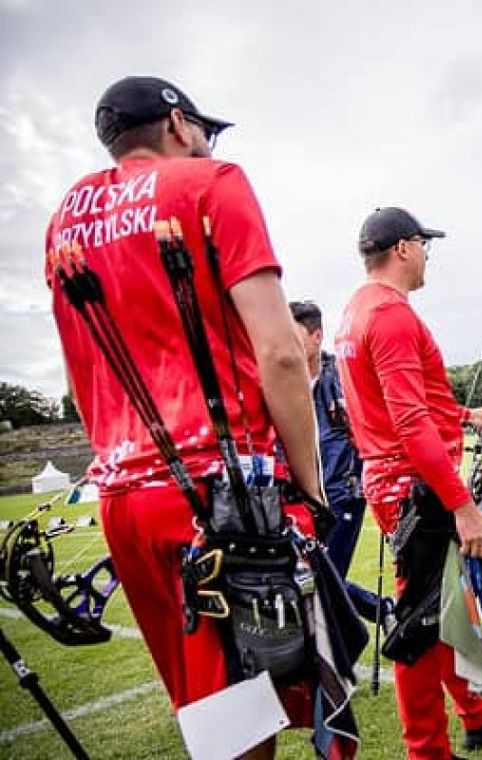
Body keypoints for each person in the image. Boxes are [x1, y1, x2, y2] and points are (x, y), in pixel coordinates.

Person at [45, 76, 325, 760]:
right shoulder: (213, 181)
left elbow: (83, 375)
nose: (209, 143)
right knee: (251, 712)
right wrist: (311, 487)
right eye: (204, 128)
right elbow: (282, 354)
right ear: (176, 124)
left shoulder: (64, 218)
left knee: (211, 712)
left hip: (122, 496)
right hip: (215, 492)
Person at [335, 207, 482, 760]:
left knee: (443, 608)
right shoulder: (391, 316)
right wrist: (463, 505)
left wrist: (470, 417)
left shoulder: (356, 311)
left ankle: (477, 713)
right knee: (420, 622)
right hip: (413, 483)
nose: (427, 256)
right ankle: (426, 750)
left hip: (398, 477)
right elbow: (411, 424)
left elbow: (415, 405)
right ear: (404, 248)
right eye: (424, 245)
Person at [290, 300, 381, 620]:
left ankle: (377, 615)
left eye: (296, 333)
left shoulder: (343, 378)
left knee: (323, 578)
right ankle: (384, 611)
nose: (289, 341)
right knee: (315, 577)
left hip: (343, 493)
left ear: (317, 336)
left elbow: (374, 421)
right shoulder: (283, 383)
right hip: (302, 499)